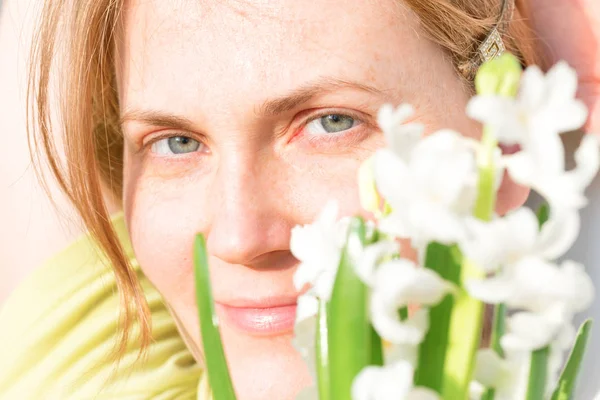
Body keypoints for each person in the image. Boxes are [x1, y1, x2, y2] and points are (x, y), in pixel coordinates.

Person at [0, 0, 597, 399]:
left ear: (507, 146)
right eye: (176, 142)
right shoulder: (81, 369)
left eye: (333, 123)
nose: (238, 238)